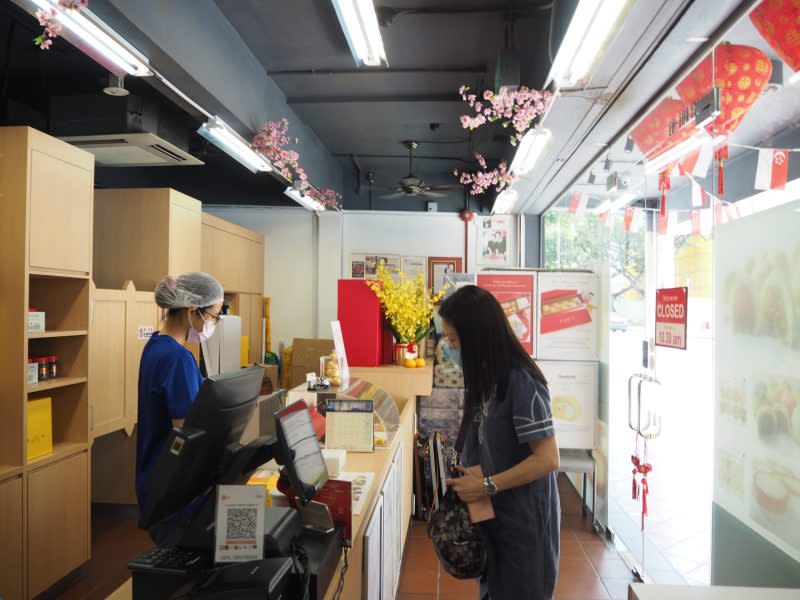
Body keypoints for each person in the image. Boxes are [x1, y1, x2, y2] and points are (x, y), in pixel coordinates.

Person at [439, 285, 560, 600]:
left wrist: (487, 485)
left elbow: (548, 459)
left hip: (523, 526)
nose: (448, 349)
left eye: (453, 341)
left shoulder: (522, 383)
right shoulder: (485, 378)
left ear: (478, 338)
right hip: (495, 521)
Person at [135, 272, 224, 509]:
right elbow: (187, 432)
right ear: (192, 311)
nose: (212, 324)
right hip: (173, 486)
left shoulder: (155, 346)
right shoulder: (178, 358)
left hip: (153, 479)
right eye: (213, 316)